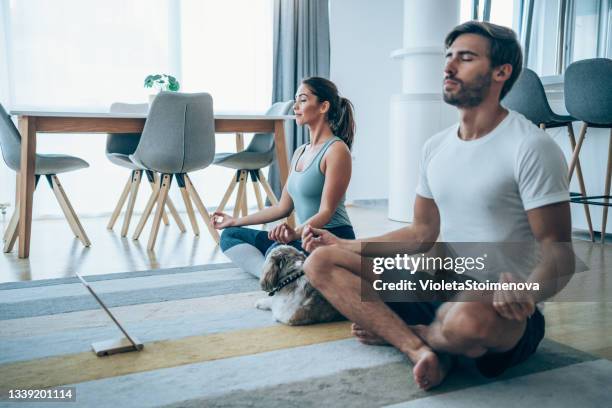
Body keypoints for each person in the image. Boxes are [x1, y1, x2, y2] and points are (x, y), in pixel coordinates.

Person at [301, 21, 575, 390]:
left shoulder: (530, 147)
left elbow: (559, 253)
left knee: (466, 322)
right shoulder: (437, 147)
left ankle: (415, 333)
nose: (448, 67)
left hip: (496, 307)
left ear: (501, 72)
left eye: (465, 58)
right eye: (448, 56)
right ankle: (420, 348)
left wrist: (527, 292)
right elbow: (420, 233)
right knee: (320, 262)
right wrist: (343, 245)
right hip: (434, 286)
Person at [212, 77, 357, 278]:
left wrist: (295, 233)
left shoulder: (336, 150)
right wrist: (235, 221)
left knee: (277, 252)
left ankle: (281, 271)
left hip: (329, 237)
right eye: (295, 100)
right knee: (230, 236)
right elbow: (282, 208)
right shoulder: (300, 152)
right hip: (301, 238)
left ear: (323, 106)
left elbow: (326, 212)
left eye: (303, 100)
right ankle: (270, 275)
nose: (295, 106)